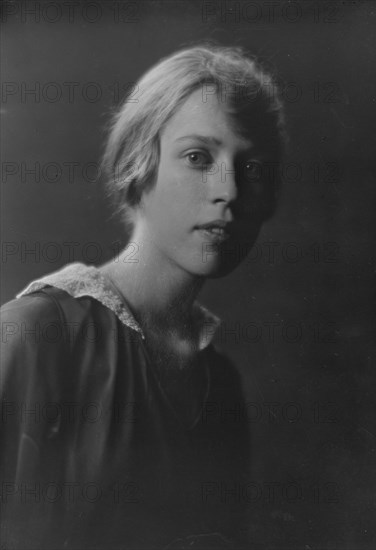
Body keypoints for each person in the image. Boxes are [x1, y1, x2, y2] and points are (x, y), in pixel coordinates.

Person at [0, 44, 285, 549]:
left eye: (253, 167)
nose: (230, 192)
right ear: (139, 164)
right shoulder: (39, 334)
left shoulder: (219, 381)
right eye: (198, 157)